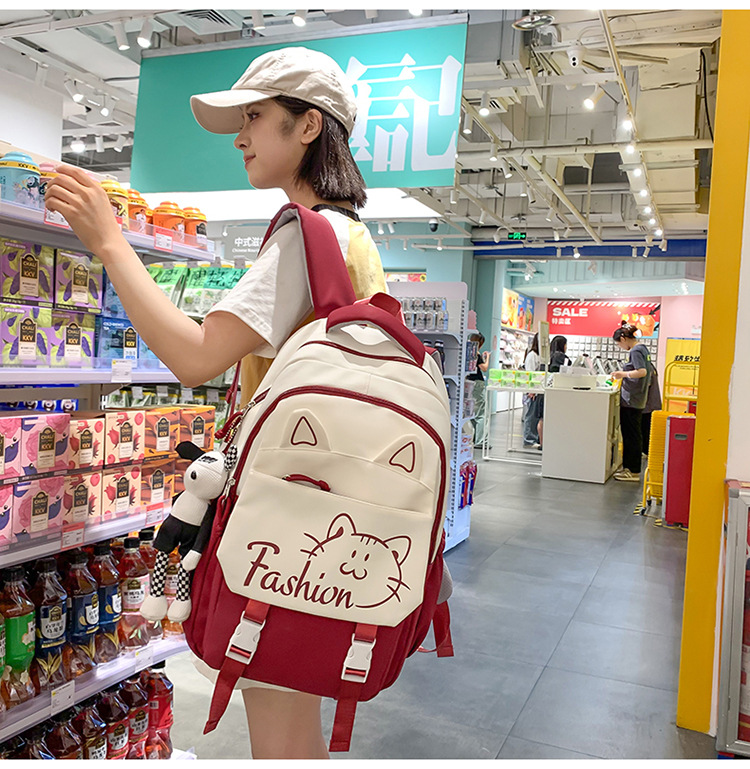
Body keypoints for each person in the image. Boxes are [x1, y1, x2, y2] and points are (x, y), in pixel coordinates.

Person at [45, 46, 388, 760]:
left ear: (308, 126)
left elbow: (198, 355)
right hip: (328, 511)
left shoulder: (308, 235)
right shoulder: (352, 238)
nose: (240, 137)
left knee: (279, 722)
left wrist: (110, 242)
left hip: (284, 519)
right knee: (293, 713)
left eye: (256, 116)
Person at [611, 323, 653, 482]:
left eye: (618, 344)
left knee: (631, 436)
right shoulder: (643, 349)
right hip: (637, 399)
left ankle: (632, 471)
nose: (620, 347)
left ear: (623, 339)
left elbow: (641, 372)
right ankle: (630, 469)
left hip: (632, 400)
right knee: (633, 434)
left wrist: (623, 374)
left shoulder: (636, 350)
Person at [467, 333, 490, 447]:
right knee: (481, 413)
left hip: (469, 382)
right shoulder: (476, 353)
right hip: (478, 383)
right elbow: (484, 368)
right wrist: (488, 358)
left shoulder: (466, 351)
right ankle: (481, 441)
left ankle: (472, 437)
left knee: (471, 411)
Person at [522, 333, 541, 447]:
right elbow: (530, 373)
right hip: (532, 390)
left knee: (534, 415)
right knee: (531, 415)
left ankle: (534, 438)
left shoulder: (538, 356)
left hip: (537, 389)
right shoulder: (532, 355)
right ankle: (529, 439)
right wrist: (531, 390)